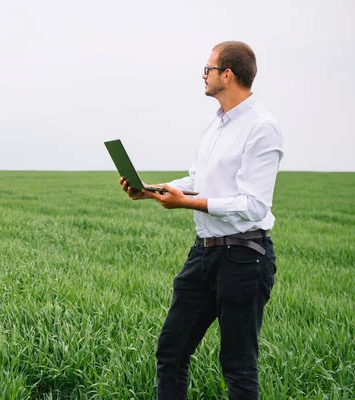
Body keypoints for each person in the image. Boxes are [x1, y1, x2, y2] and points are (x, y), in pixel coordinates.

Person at [119, 41, 283, 399]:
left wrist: (189, 205)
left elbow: (254, 205)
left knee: (238, 366)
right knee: (171, 350)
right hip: (203, 255)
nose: (203, 76)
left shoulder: (262, 128)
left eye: (208, 69)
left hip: (244, 257)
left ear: (227, 74)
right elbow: (196, 180)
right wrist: (151, 190)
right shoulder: (215, 124)